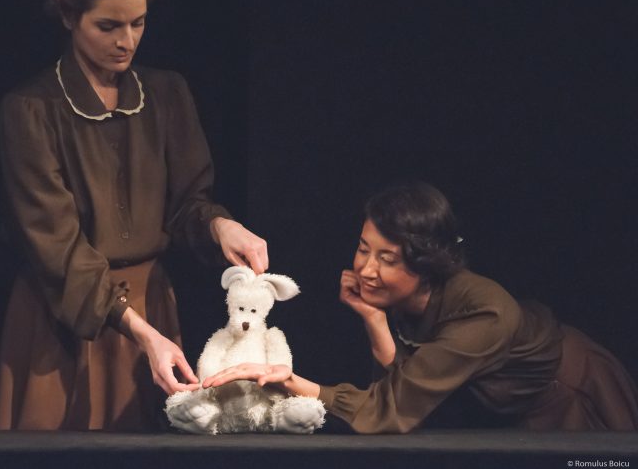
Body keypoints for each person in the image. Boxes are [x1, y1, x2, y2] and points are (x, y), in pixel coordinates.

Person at [0, 0, 267, 431]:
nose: (127, 41)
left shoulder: (166, 93)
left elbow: (188, 205)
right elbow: (57, 245)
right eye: (108, 26)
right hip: (64, 310)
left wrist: (221, 226)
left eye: (138, 23)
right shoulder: (30, 109)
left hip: (149, 303)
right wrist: (140, 331)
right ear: (69, 17)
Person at [203, 181, 638, 432]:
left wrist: (294, 383)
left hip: (569, 394)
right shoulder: (399, 298)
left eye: (387, 259)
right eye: (363, 249)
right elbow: (401, 382)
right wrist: (374, 319)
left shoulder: (486, 314)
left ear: (425, 264)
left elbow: (392, 408)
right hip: (509, 409)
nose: (366, 269)